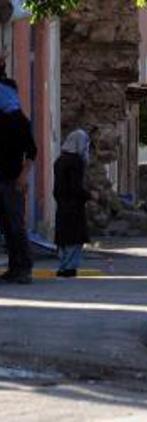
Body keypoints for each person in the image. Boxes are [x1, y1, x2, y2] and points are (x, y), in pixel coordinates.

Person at [0, 50, 36, 285]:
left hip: (10, 178)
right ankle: (15, 268)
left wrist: (23, 175)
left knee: (14, 224)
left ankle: (22, 268)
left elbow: (31, 150)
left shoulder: (15, 118)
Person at [54, 130, 92, 278]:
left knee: (64, 238)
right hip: (74, 206)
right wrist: (88, 195)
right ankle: (70, 268)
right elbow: (75, 187)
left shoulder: (59, 160)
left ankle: (63, 266)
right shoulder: (76, 162)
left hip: (62, 205)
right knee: (74, 239)